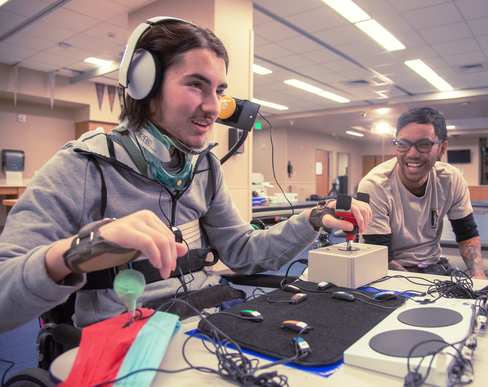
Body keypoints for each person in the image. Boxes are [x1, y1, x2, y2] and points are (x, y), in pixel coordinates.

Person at [0, 17, 371, 334]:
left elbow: (242, 251)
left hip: (209, 317)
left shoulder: (204, 167)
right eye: (196, 84)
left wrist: (311, 219)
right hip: (128, 335)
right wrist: (73, 252)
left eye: (220, 91)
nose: (213, 108)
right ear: (144, 83)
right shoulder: (82, 167)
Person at [359, 107, 486, 279]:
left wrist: (478, 276)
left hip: (433, 265)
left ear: (442, 148)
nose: (412, 154)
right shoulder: (375, 185)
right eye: (403, 144)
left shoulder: (451, 179)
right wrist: (426, 286)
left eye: (424, 145)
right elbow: (382, 257)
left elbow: (467, 235)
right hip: (389, 271)